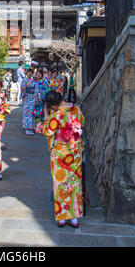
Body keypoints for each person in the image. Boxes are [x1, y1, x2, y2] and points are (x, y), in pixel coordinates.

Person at [43, 90, 85, 228]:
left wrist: (46, 114)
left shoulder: (57, 115)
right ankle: (74, 218)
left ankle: (62, 217)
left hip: (61, 153)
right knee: (74, 182)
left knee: (60, 183)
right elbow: (82, 122)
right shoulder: (76, 109)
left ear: (53, 106)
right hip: (75, 151)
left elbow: (47, 131)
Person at [20, 68, 36, 135]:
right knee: (26, 113)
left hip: (32, 98)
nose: (30, 74)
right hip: (26, 97)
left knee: (31, 113)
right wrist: (23, 96)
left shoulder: (33, 81)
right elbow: (22, 90)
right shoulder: (24, 80)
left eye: (31, 73)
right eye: (29, 72)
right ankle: (26, 128)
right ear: (26, 73)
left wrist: (36, 97)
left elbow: (35, 89)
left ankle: (31, 128)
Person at [32, 68, 48, 133]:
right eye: (37, 73)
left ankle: (40, 128)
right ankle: (35, 127)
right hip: (33, 100)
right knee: (35, 113)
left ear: (42, 75)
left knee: (41, 114)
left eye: (39, 73)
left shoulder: (44, 81)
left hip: (41, 100)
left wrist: (42, 97)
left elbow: (47, 90)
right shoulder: (33, 81)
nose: (38, 75)